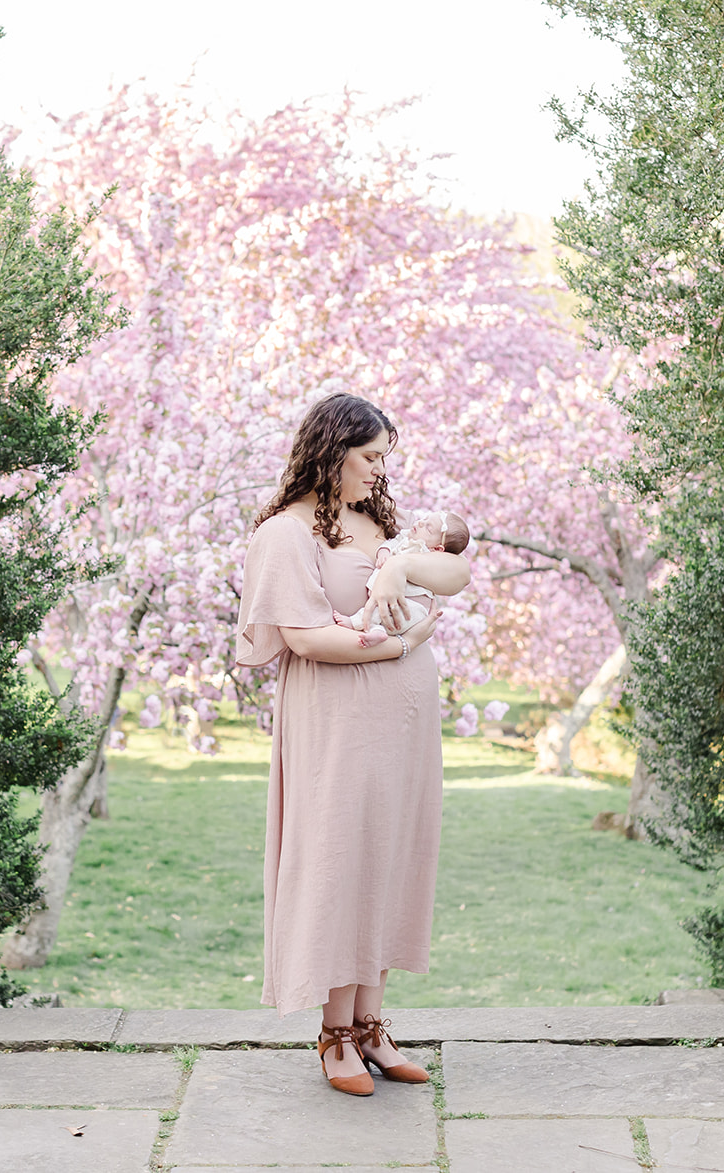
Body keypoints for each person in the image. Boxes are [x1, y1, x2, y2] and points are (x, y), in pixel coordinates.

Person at [235, 392, 470, 1096]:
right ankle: (334, 1030)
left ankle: (372, 1023)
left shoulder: (376, 522)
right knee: (340, 857)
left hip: (402, 726)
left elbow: (456, 572)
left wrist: (397, 570)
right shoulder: (285, 534)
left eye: (384, 459)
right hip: (335, 722)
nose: (379, 471)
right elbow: (308, 637)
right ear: (331, 450)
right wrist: (398, 642)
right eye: (370, 457)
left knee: (390, 855)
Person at [333, 509, 470, 646]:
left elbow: (459, 570)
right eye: (425, 519)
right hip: (399, 605)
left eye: (429, 528)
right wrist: (384, 552)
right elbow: (392, 543)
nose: (421, 523)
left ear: (438, 549)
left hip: (413, 606)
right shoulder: (406, 537)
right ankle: (377, 632)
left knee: (382, 609)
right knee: (382, 611)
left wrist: (400, 565)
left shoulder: (426, 552)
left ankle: (355, 622)